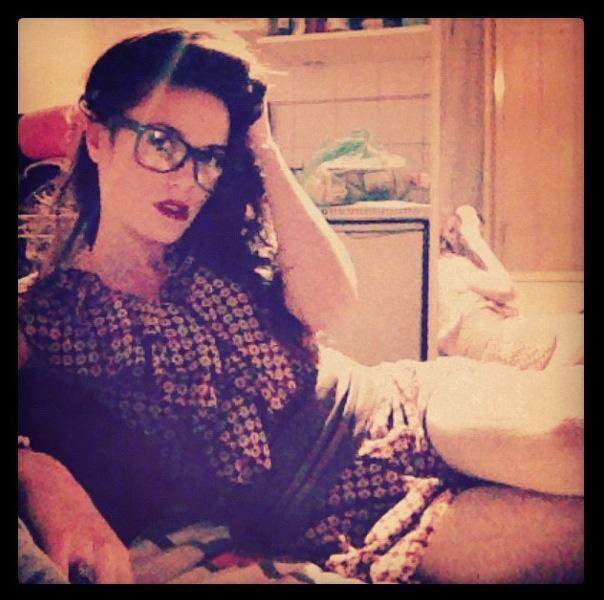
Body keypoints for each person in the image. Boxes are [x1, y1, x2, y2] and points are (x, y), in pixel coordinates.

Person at [18, 29, 583, 584]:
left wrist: (262, 147)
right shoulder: (44, 316)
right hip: (343, 520)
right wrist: (34, 470)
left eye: (210, 157)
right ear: (97, 139)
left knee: (565, 438)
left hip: (394, 409)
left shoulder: (217, 250)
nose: (190, 180)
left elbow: (332, 305)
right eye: (163, 143)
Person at [438, 205, 584, 370]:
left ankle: (554, 373)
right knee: (575, 328)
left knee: (569, 325)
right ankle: (551, 375)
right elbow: (507, 289)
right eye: (454, 230)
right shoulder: (452, 266)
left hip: (490, 339)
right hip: (492, 341)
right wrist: (475, 239)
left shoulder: (447, 267)